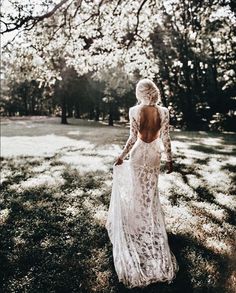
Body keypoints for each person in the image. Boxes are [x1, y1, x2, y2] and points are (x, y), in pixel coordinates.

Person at [106, 78, 179, 288]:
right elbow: (165, 138)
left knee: (138, 190)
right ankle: (147, 222)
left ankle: (138, 224)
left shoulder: (134, 111)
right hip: (154, 156)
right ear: (154, 92)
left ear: (141, 93)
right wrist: (169, 160)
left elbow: (132, 138)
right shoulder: (164, 112)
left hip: (139, 155)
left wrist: (122, 156)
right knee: (151, 192)